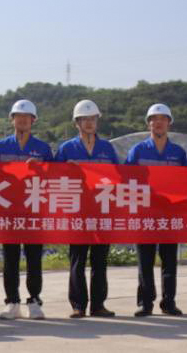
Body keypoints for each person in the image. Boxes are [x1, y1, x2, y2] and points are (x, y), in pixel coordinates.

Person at [56, 99, 119, 318]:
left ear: (97, 121)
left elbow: (118, 176)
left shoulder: (107, 148)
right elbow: (55, 177)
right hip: (77, 211)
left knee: (100, 260)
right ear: (77, 123)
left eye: (92, 118)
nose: (89, 123)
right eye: (84, 119)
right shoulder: (67, 149)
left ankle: (98, 304)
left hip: (102, 211)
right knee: (78, 260)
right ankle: (78, 305)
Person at [0, 99, 53, 320]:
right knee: (10, 259)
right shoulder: (1, 147)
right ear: (12, 120)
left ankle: (34, 301)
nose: (22, 120)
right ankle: (12, 302)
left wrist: (41, 169)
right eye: (18, 116)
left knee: (34, 258)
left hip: (34, 210)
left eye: (27, 117)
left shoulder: (43, 149)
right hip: (9, 210)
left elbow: (54, 177)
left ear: (33, 121)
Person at [126, 103, 187, 316]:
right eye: (154, 119)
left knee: (169, 261)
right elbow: (127, 180)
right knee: (145, 262)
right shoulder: (137, 151)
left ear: (169, 123)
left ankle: (168, 302)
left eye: (163, 119)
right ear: (148, 124)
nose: (158, 123)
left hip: (170, 215)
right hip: (145, 214)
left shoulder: (178, 153)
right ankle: (145, 303)